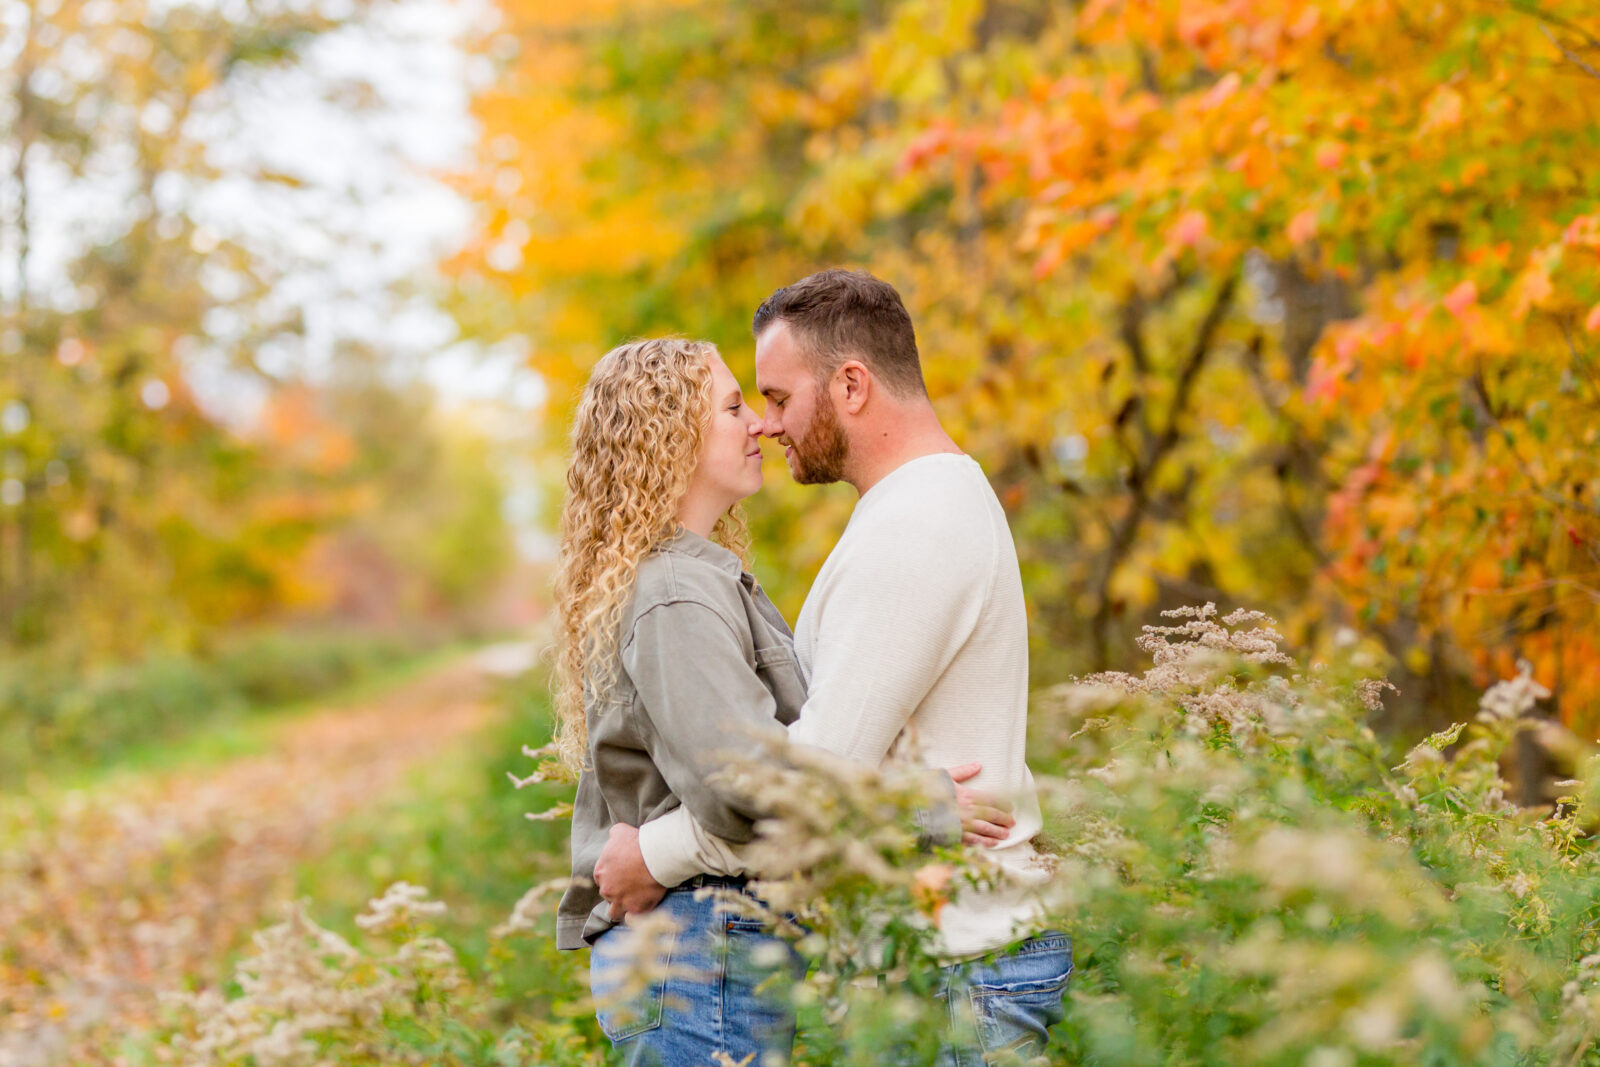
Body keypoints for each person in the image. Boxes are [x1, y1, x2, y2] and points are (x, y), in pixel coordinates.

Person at [593, 271, 1071, 1065]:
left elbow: (806, 784)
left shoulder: (918, 525)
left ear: (851, 384)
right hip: (942, 961)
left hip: (959, 967)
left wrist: (655, 853)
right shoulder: (912, 509)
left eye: (778, 397)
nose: (769, 424)